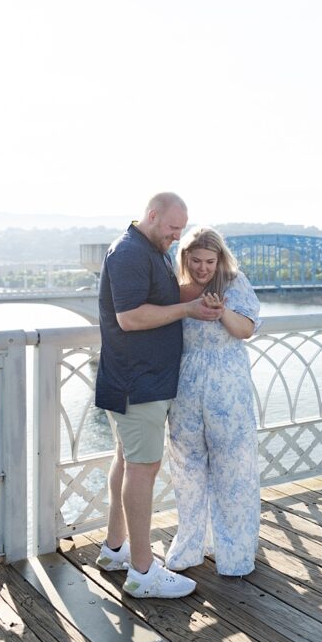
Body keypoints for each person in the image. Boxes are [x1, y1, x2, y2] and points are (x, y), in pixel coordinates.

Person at [93, 192, 223, 599]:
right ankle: (144, 573)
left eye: (181, 229)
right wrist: (188, 312)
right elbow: (130, 318)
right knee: (143, 469)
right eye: (172, 228)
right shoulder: (131, 253)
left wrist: (207, 292)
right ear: (151, 216)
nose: (177, 236)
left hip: (137, 380)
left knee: (127, 461)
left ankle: (116, 549)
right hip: (138, 382)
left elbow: (160, 299)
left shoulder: (150, 249)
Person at [165, 226, 261, 576]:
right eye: (196, 261)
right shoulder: (176, 290)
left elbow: (246, 330)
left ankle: (234, 553)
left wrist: (221, 312)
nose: (203, 268)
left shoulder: (234, 283)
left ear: (220, 259)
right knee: (186, 467)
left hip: (227, 383)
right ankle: (191, 546)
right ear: (185, 258)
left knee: (233, 468)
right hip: (186, 384)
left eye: (209, 261)